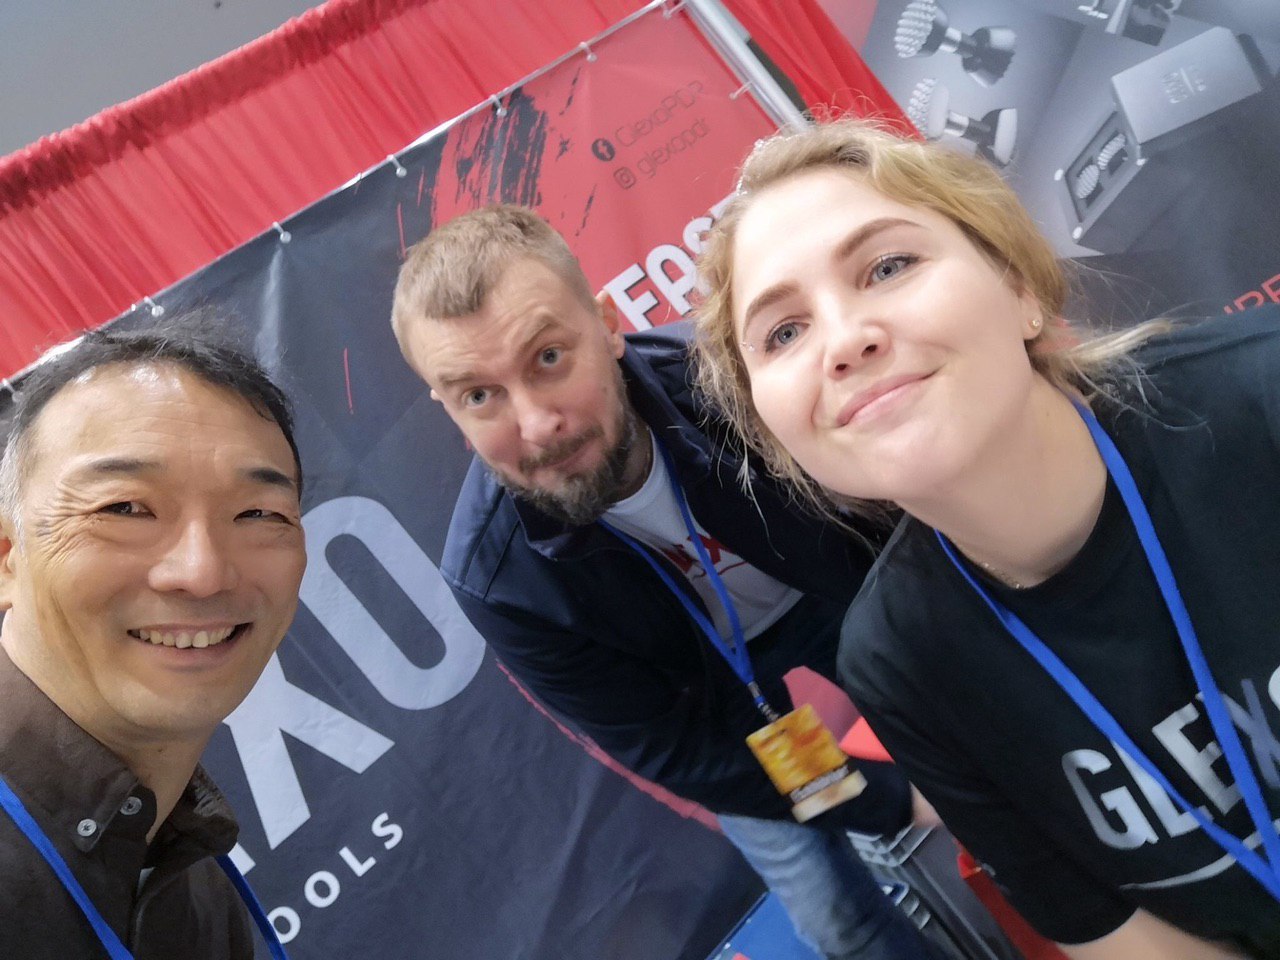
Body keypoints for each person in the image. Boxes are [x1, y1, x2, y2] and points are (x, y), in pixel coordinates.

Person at [692, 117, 1280, 959]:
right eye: (784, 333)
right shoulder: (900, 663)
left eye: (888, 266)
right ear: (779, 437)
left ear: (1019, 287)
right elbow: (1120, 936)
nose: (844, 341)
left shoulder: (1262, 401)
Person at [390, 205, 944, 960]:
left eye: (549, 357)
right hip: (714, 704)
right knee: (837, 921)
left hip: (838, 593)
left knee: (992, 752)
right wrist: (889, 801)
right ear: (448, 407)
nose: (536, 424)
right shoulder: (499, 580)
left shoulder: (732, 380)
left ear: (607, 325)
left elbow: (900, 516)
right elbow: (678, 751)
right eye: (479, 396)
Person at [0, 324, 307, 959]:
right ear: (7, 556)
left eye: (258, 513)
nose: (203, 572)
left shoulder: (192, 874)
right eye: (124, 509)